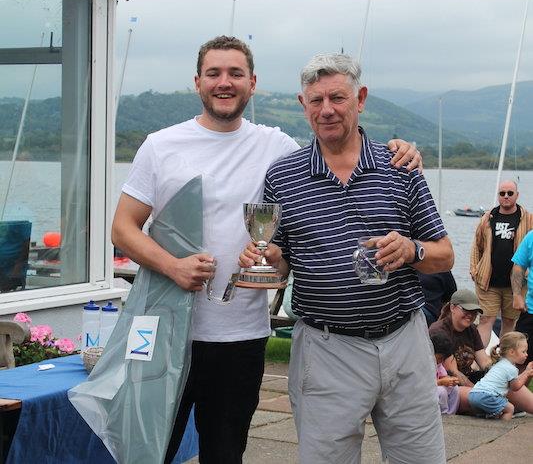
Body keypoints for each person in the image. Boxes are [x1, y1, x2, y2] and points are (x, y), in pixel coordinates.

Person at [111, 37, 421, 464]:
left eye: (235, 74)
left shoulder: (277, 147)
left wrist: (399, 149)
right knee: (147, 451)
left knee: (225, 453)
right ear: (197, 82)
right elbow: (122, 229)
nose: (225, 83)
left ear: (252, 83)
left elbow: (335, 151)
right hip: (165, 329)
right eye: (214, 73)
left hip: (240, 334)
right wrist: (173, 266)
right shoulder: (161, 145)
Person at [240, 53, 454, 464]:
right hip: (326, 347)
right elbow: (279, 260)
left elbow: (444, 255)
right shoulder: (282, 176)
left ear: (361, 98)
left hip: (403, 340)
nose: (327, 110)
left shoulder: (400, 167)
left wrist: (412, 250)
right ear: (303, 106)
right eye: (316, 101)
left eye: (337, 98)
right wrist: (260, 257)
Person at [470, 180, 533, 347]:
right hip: (489, 281)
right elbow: (477, 245)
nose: (506, 196)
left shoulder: (527, 218)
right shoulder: (488, 218)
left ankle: (504, 361)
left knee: (509, 323)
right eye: (502, 193)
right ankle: (479, 363)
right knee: (485, 320)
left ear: (517, 195)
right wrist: (474, 269)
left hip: (516, 285)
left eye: (510, 193)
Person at [429, 289, 490, 387]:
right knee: (485, 398)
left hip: (468, 377)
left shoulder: (471, 329)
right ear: (452, 308)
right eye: (466, 310)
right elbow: (453, 372)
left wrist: (498, 374)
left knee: (507, 387)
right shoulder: (439, 332)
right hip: (448, 384)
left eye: (474, 312)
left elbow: (484, 362)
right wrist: (479, 392)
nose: (470, 315)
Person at [467, 332, 533, 420]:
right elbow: (515, 387)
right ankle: (502, 429)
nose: (526, 354)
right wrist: (527, 372)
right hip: (487, 396)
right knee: (510, 409)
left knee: (493, 412)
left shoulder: (499, 363)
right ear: (512, 352)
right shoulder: (511, 368)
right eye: (523, 351)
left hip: (473, 394)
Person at [511, 229, 533, 364]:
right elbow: (519, 266)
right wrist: (517, 295)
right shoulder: (531, 237)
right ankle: (517, 385)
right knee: (519, 361)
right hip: (531, 311)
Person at [430, 331, 460, 415]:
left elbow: (443, 376)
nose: (440, 361)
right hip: (426, 390)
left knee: (455, 388)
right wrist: (441, 382)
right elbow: (423, 384)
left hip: (436, 385)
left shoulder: (438, 364)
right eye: (439, 358)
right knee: (441, 391)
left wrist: (450, 380)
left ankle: (451, 413)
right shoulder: (424, 363)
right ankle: (444, 414)